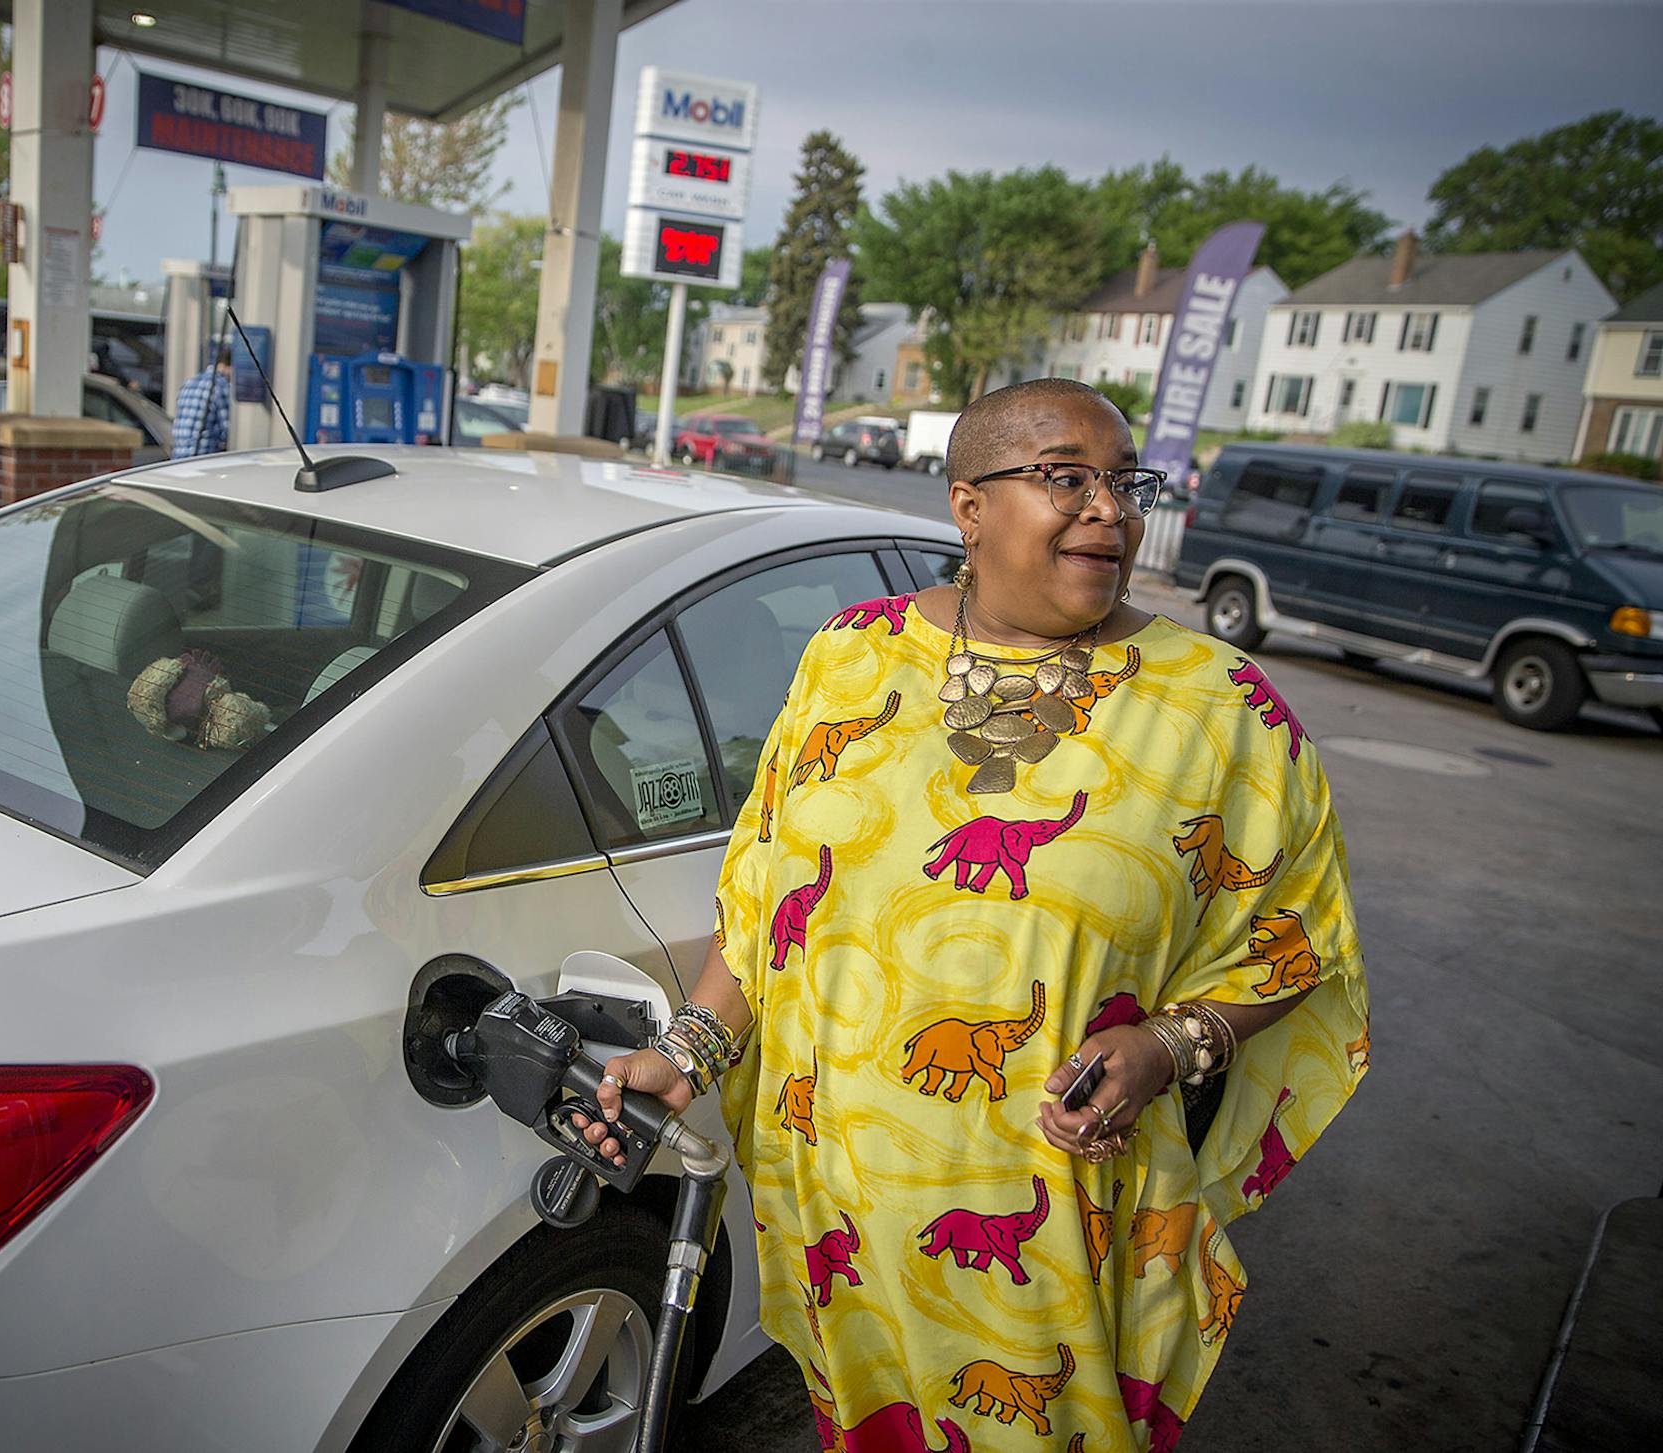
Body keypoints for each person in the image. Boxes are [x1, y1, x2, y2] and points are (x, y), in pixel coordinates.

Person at [586, 377, 1369, 1450]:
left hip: (1056, 1207)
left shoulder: (1221, 707)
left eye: (1123, 481)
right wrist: (693, 1047)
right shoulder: (849, 655)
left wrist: (1167, 1044)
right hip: (836, 1195)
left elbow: (1294, 946)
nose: (1111, 508)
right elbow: (770, 892)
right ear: (969, 506)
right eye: (1065, 478)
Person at [171, 354, 231, 458]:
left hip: (178, 456)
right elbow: (227, 430)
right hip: (202, 457)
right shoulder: (220, 385)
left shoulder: (189, 382)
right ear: (227, 366)